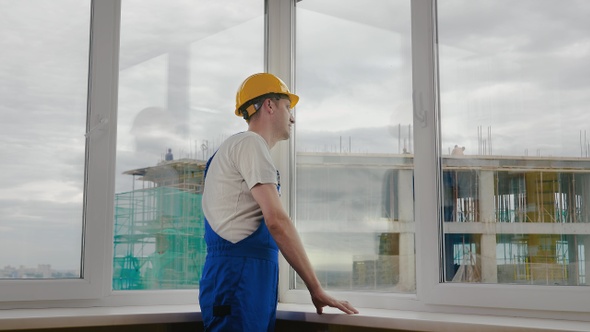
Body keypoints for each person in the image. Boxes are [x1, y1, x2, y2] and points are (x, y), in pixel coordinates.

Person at [199, 73, 358, 331]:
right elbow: (277, 221)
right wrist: (316, 289)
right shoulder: (251, 143)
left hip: (241, 279)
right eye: (288, 107)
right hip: (240, 278)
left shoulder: (234, 149)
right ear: (269, 106)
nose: (292, 117)